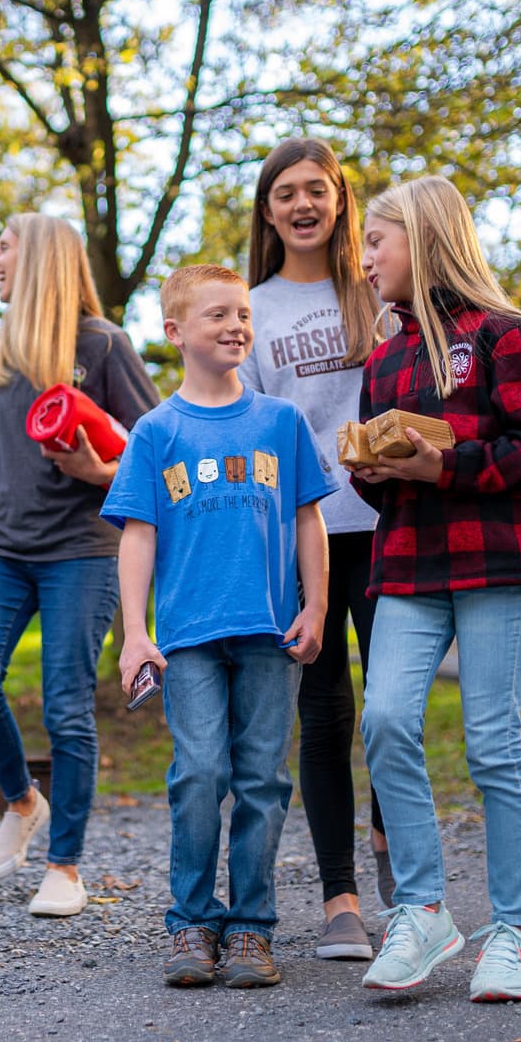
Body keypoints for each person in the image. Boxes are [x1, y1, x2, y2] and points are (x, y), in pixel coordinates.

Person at [349, 176, 521, 1002]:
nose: (365, 259)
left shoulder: (506, 335)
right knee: (384, 719)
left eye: (377, 241)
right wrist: (376, 469)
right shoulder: (383, 358)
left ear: (424, 238)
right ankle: (423, 911)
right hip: (411, 561)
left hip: (499, 560)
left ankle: (515, 933)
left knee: (491, 740)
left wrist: (445, 466)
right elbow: (386, 485)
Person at [102, 264, 332, 990]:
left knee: (263, 778)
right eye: (218, 315)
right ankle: (194, 921)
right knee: (199, 773)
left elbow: (308, 519)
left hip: (271, 634)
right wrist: (135, 632)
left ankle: (252, 928)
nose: (236, 325)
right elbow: (137, 536)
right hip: (187, 641)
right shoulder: (155, 432)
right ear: (174, 332)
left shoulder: (280, 422)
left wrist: (317, 606)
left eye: (243, 314)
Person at [0, 214, 158, 918]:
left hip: (81, 552)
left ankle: (64, 867)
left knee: (66, 708)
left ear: (39, 259)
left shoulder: (104, 345)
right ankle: (23, 800)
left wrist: (99, 472)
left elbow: (155, 451)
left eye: (3, 247)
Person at [238, 138, 390, 963]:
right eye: (286, 193)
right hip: (305, 537)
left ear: (340, 200)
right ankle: (341, 900)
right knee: (324, 712)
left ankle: (393, 843)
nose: (303, 204)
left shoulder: (376, 290)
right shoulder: (252, 308)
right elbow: (249, 429)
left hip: (391, 523)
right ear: (267, 213)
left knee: (394, 708)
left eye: (316, 190)